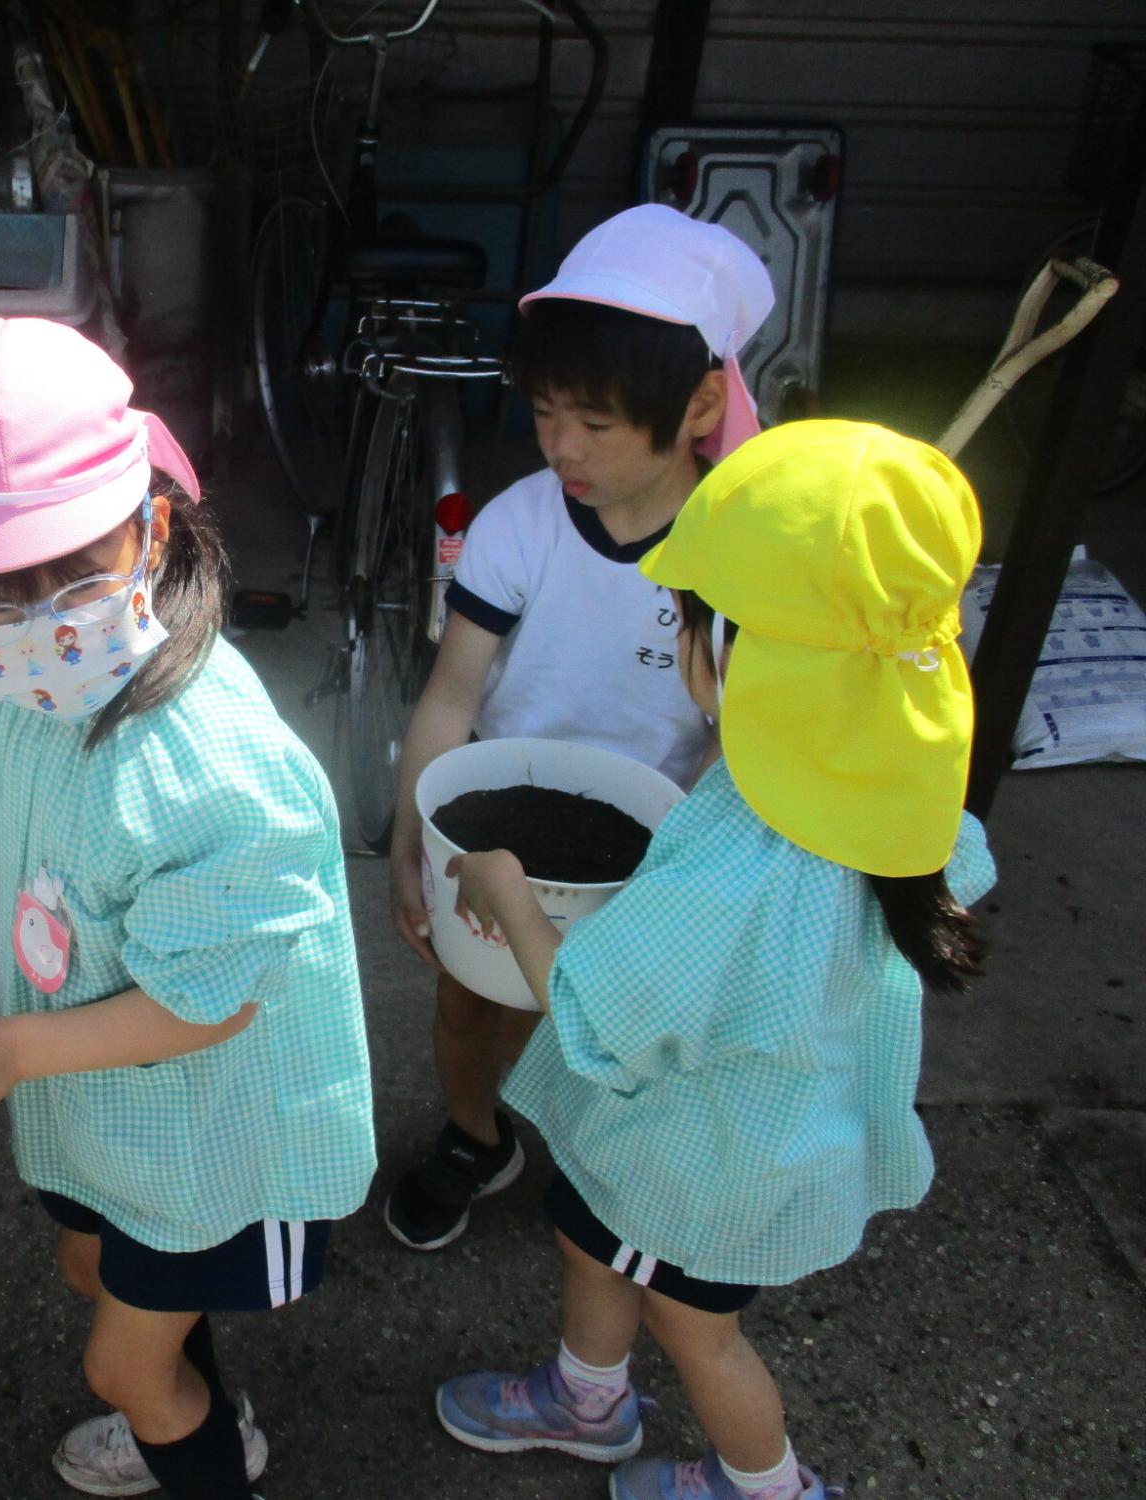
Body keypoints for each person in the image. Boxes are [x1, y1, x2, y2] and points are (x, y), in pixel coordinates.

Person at [0, 318, 376, 1500]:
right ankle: (198, 1407)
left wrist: (11, 1046)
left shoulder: (216, 770)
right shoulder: (23, 667)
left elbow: (209, 1005)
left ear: (152, 522)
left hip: (214, 1124)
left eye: (73, 573)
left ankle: (181, 1428)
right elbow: (12, 758)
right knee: (92, 1263)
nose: (36, 621)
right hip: (109, 1099)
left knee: (120, 1368)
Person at [431, 420, 995, 1500]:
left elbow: (593, 1015)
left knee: (699, 1335)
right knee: (587, 1241)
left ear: (730, 654)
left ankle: (763, 1483)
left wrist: (507, 891)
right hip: (773, 1125)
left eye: (683, 619)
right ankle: (586, 1399)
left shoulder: (741, 865)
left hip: (692, 1164)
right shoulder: (890, 788)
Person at [383, 204, 777, 1252]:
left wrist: (682, 878)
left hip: (654, 844)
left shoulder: (737, 553)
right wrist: (407, 840)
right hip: (499, 827)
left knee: (611, 1036)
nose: (560, 446)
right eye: (547, 412)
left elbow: (727, 742)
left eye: (595, 425)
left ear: (698, 404)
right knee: (474, 1005)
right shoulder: (520, 523)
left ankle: (599, 1181)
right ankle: (476, 1136)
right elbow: (452, 695)